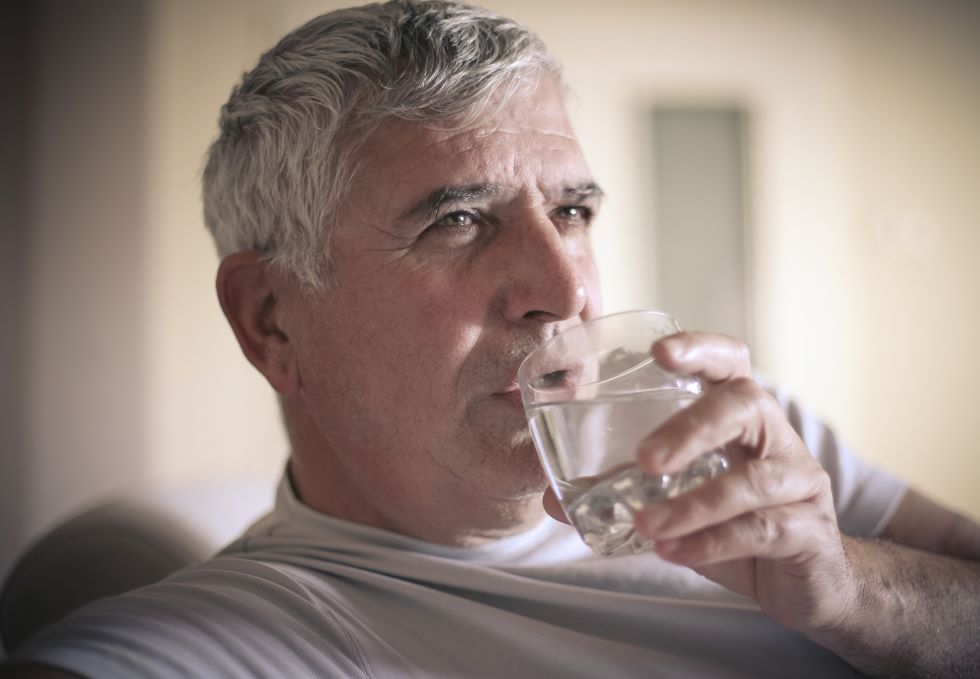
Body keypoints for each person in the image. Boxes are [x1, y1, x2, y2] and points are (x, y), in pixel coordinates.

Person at [5, 1, 979, 677]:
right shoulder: (234, 640)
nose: (567, 290)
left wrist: (852, 590)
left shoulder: (728, 439)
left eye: (572, 210)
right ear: (271, 322)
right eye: (457, 220)